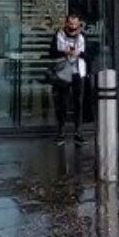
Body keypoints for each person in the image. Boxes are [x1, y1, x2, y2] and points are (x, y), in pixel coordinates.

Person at [49, 13, 87, 146]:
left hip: (78, 72)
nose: (73, 27)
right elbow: (52, 52)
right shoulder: (59, 35)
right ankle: (61, 132)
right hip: (63, 72)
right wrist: (65, 52)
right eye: (71, 24)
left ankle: (78, 132)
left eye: (76, 24)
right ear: (66, 24)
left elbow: (87, 54)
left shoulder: (81, 37)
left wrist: (79, 53)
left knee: (78, 103)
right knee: (63, 104)